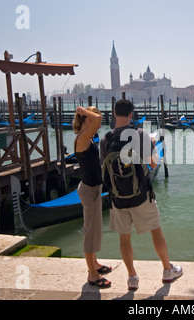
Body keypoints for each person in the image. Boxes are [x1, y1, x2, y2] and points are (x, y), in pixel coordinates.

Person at [100, 99, 182, 290]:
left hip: (118, 198)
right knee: (156, 231)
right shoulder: (140, 134)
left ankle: (132, 278)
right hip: (142, 195)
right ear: (131, 114)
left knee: (124, 237)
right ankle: (167, 270)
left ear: (114, 114)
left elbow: (103, 170)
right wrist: (151, 146)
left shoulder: (106, 139)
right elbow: (153, 164)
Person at [73, 105, 112, 288]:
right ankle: (92, 274)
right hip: (89, 190)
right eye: (93, 117)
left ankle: (95, 263)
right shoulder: (82, 138)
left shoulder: (85, 138)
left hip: (92, 189)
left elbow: (96, 121)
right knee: (90, 232)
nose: (98, 122)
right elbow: (98, 120)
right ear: (87, 119)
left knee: (95, 229)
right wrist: (82, 110)